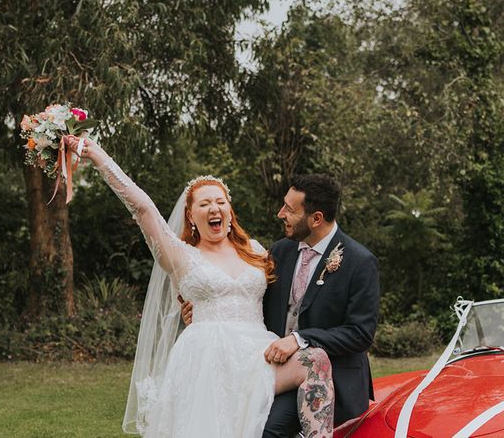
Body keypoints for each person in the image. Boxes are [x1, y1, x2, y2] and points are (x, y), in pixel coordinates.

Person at [64, 135, 333, 438]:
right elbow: (142, 208)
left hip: (258, 356)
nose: (214, 208)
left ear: (230, 211)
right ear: (191, 216)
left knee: (316, 361)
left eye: (220, 202)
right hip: (206, 360)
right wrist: (97, 156)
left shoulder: (257, 251)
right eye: (204, 204)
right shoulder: (180, 256)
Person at [181, 173, 380, 436]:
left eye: (289, 208)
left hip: (333, 379)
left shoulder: (359, 262)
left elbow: (360, 333)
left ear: (316, 218)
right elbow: (250, 301)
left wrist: (300, 339)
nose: (280, 213)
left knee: (265, 430)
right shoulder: (280, 251)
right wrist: (206, 311)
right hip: (270, 372)